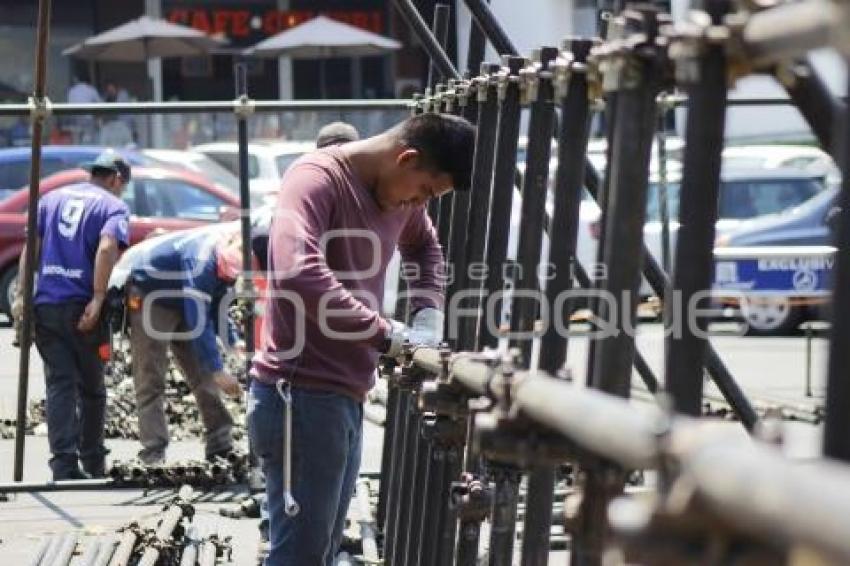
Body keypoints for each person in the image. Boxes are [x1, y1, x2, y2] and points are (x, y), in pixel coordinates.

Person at [249, 113, 475, 565]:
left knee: (320, 552)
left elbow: (425, 247)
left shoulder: (401, 199)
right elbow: (297, 272)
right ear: (406, 157)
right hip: (301, 398)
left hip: (343, 396)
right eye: (425, 191)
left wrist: (427, 311)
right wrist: (384, 333)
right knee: (299, 558)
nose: (419, 203)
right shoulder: (316, 179)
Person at [13, 151, 131, 480]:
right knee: (92, 389)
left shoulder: (50, 199)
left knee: (59, 385)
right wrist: (97, 296)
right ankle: (92, 459)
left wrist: (23, 295)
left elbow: (30, 248)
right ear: (115, 179)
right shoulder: (113, 206)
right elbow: (108, 247)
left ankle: (63, 465)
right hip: (83, 309)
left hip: (47, 306)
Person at [116, 225, 255, 465]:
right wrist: (218, 369)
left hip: (182, 294)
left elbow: (218, 306)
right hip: (151, 292)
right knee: (150, 375)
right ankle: (153, 451)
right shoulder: (202, 261)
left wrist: (234, 342)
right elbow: (199, 318)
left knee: (203, 375)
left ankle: (220, 444)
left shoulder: (229, 260)